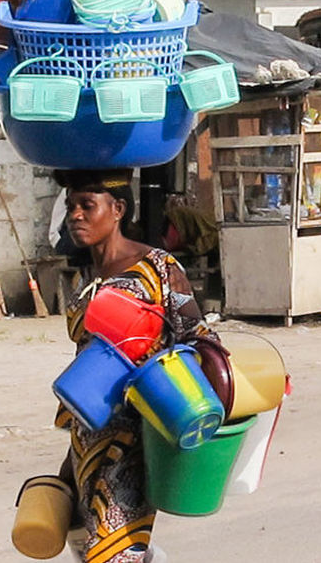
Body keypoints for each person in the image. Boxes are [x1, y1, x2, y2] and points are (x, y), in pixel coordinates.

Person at [50, 169, 215, 563]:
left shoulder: (156, 267)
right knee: (86, 544)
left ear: (118, 209)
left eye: (87, 205)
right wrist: (70, 462)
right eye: (71, 206)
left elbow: (198, 339)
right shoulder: (84, 279)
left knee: (111, 553)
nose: (75, 215)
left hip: (141, 433)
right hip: (89, 434)